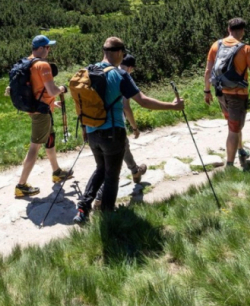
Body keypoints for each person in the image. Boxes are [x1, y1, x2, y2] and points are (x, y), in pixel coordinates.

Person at [74, 37, 184, 223]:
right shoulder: (120, 75)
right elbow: (143, 101)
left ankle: (83, 209)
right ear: (118, 52)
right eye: (123, 54)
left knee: (100, 169)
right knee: (111, 175)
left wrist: (85, 127)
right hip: (112, 132)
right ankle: (108, 216)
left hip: (92, 131)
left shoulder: (88, 71)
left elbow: (82, 103)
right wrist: (173, 106)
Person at [204, 18, 250, 169]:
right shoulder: (246, 49)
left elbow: (208, 71)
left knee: (233, 125)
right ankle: (229, 165)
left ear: (228, 29)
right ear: (242, 31)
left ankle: (241, 150)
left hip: (220, 92)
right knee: (233, 129)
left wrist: (207, 90)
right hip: (238, 95)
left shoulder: (216, 45)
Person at [15, 35, 72, 198]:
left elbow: (36, 88)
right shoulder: (43, 65)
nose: (49, 50)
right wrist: (62, 89)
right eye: (47, 47)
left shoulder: (27, 62)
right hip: (41, 113)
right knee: (35, 147)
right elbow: (52, 91)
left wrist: (51, 103)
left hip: (38, 107)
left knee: (50, 139)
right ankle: (21, 185)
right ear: (40, 48)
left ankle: (57, 172)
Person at [93, 54, 147, 210]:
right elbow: (126, 107)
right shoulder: (122, 77)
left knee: (123, 149)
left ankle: (135, 171)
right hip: (114, 126)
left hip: (96, 124)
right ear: (130, 67)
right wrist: (135, 127)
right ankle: (100, 199)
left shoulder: (105, 73)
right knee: (111, 167)